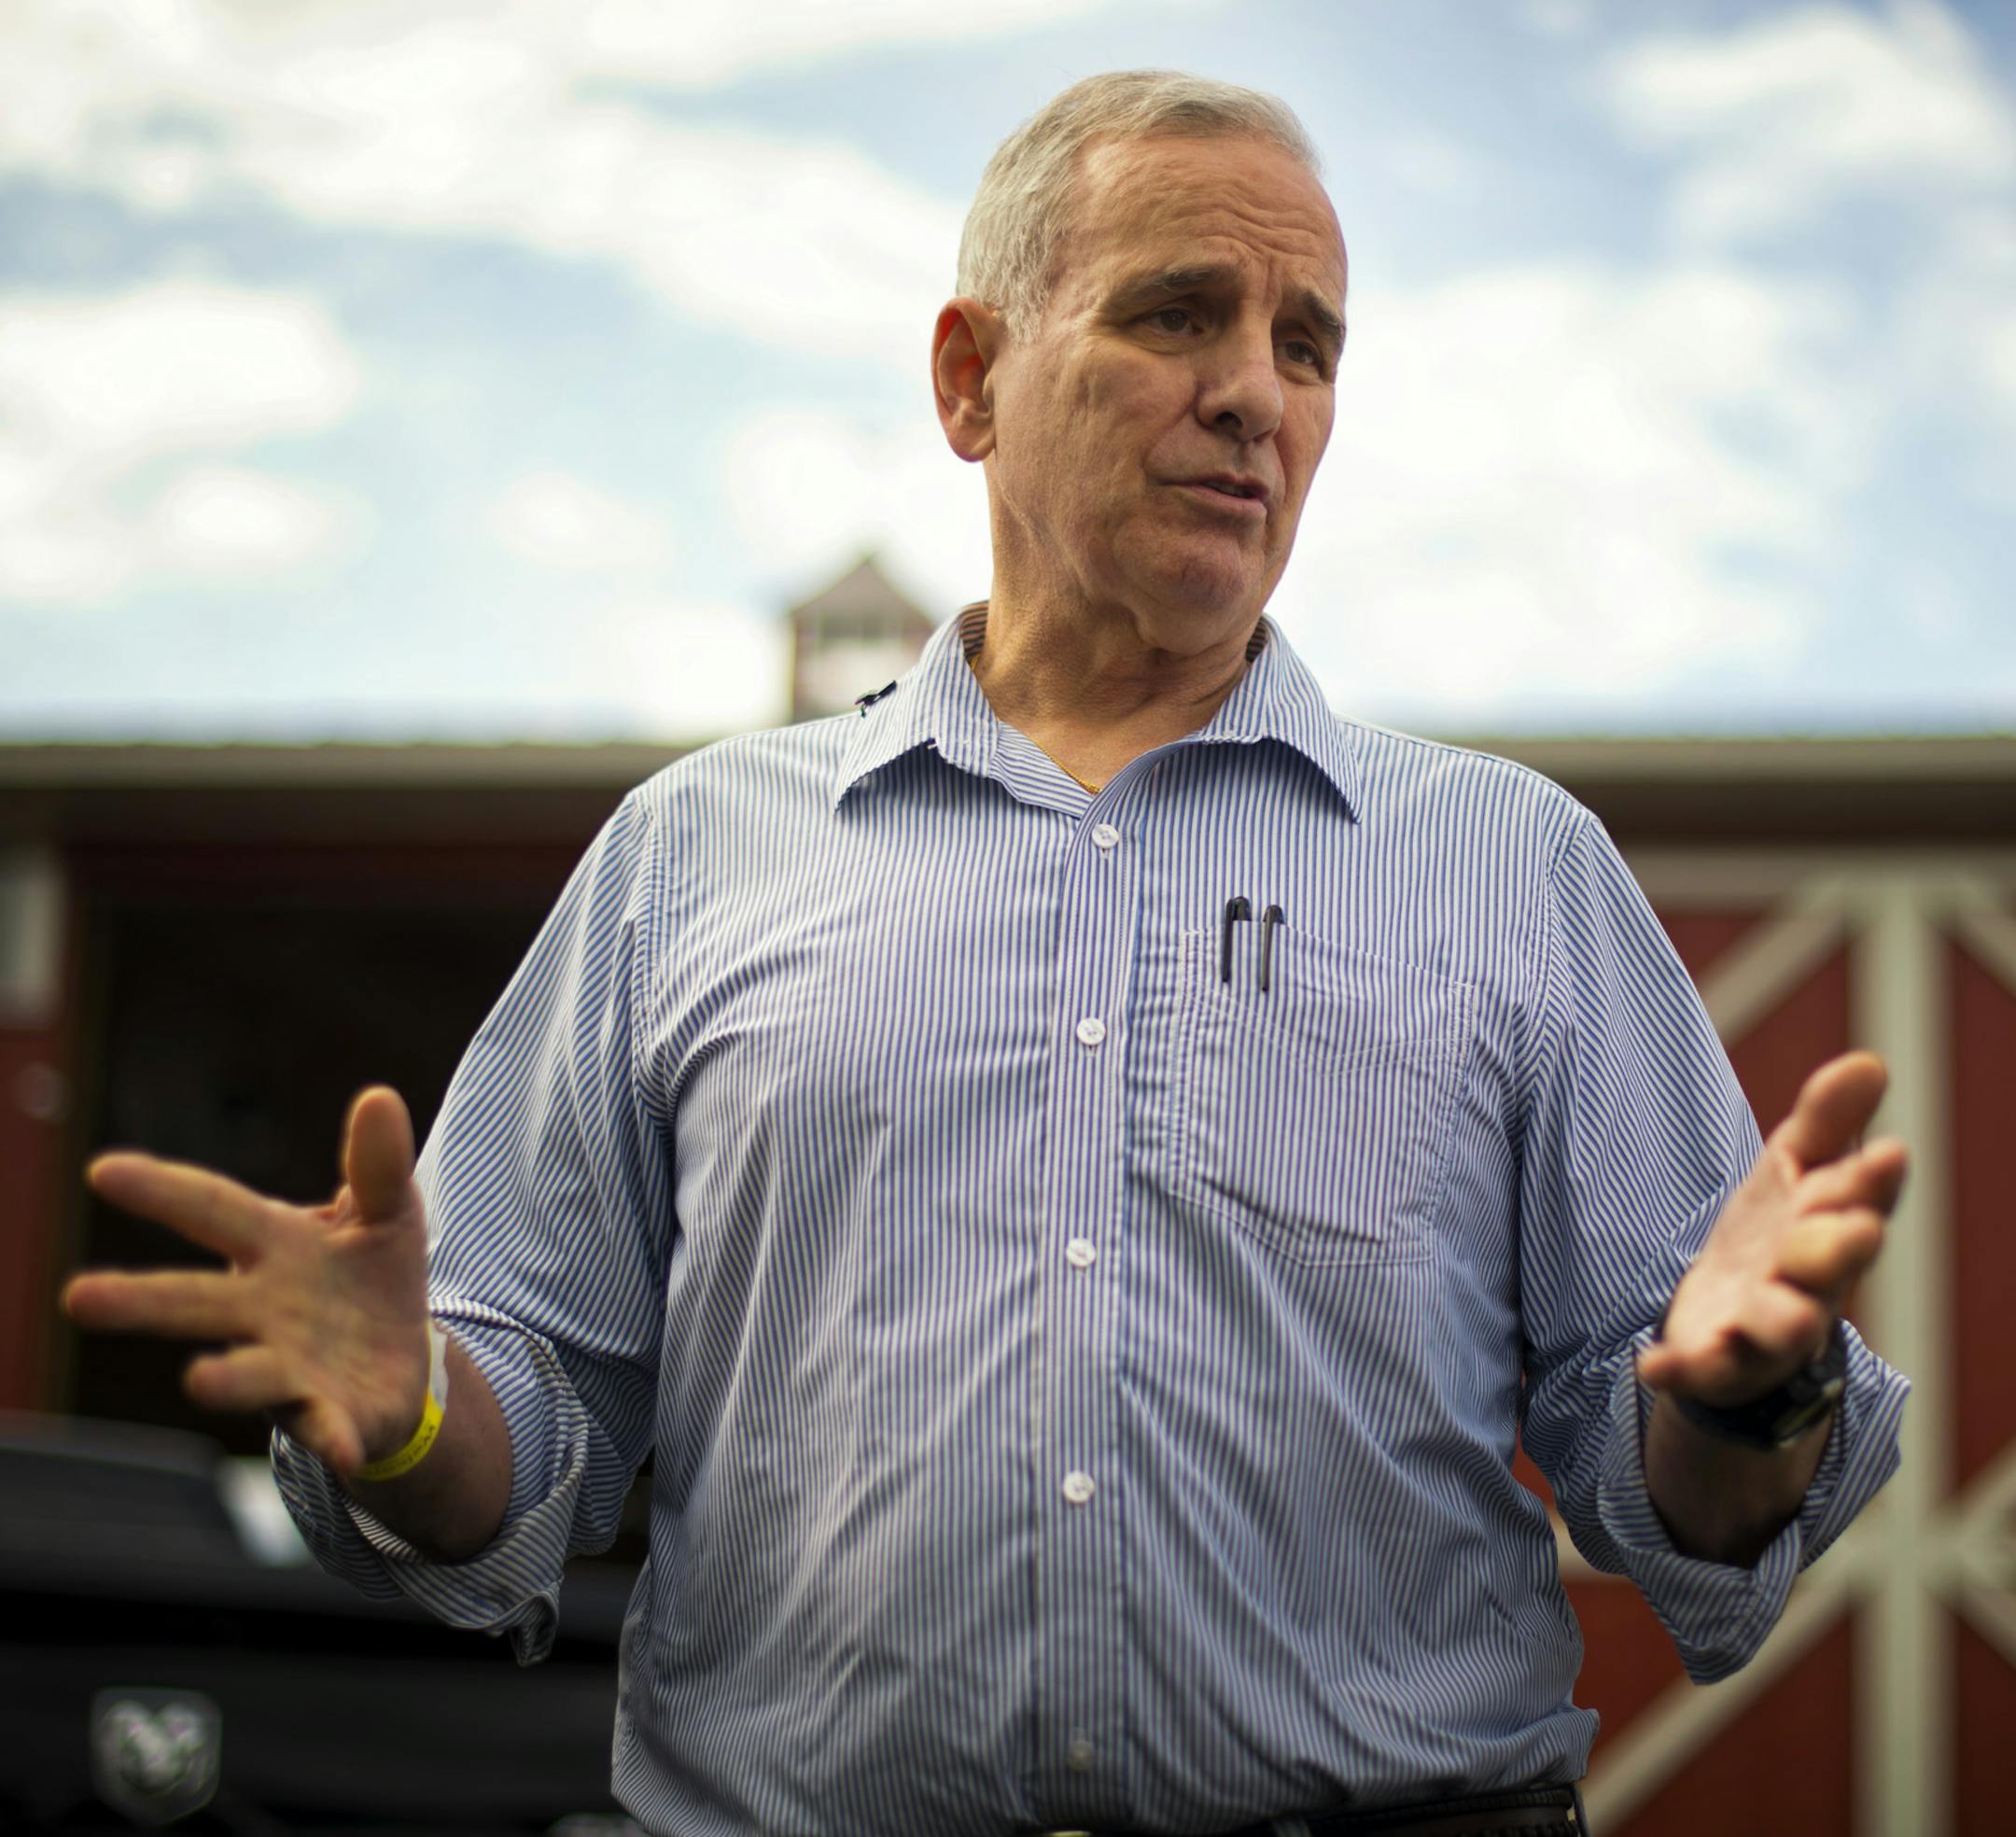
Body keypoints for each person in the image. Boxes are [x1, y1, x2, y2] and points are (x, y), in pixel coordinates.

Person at [65, 70, 1910, 1837]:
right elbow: (518, 1437)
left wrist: (1754, 1394)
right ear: (971, 379)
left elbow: (1691, 1491)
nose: (1254, 394)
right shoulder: (691, 861)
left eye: (1307, 344)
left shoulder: (1511, 872)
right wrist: (413, 1421)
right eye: (1179, 316)